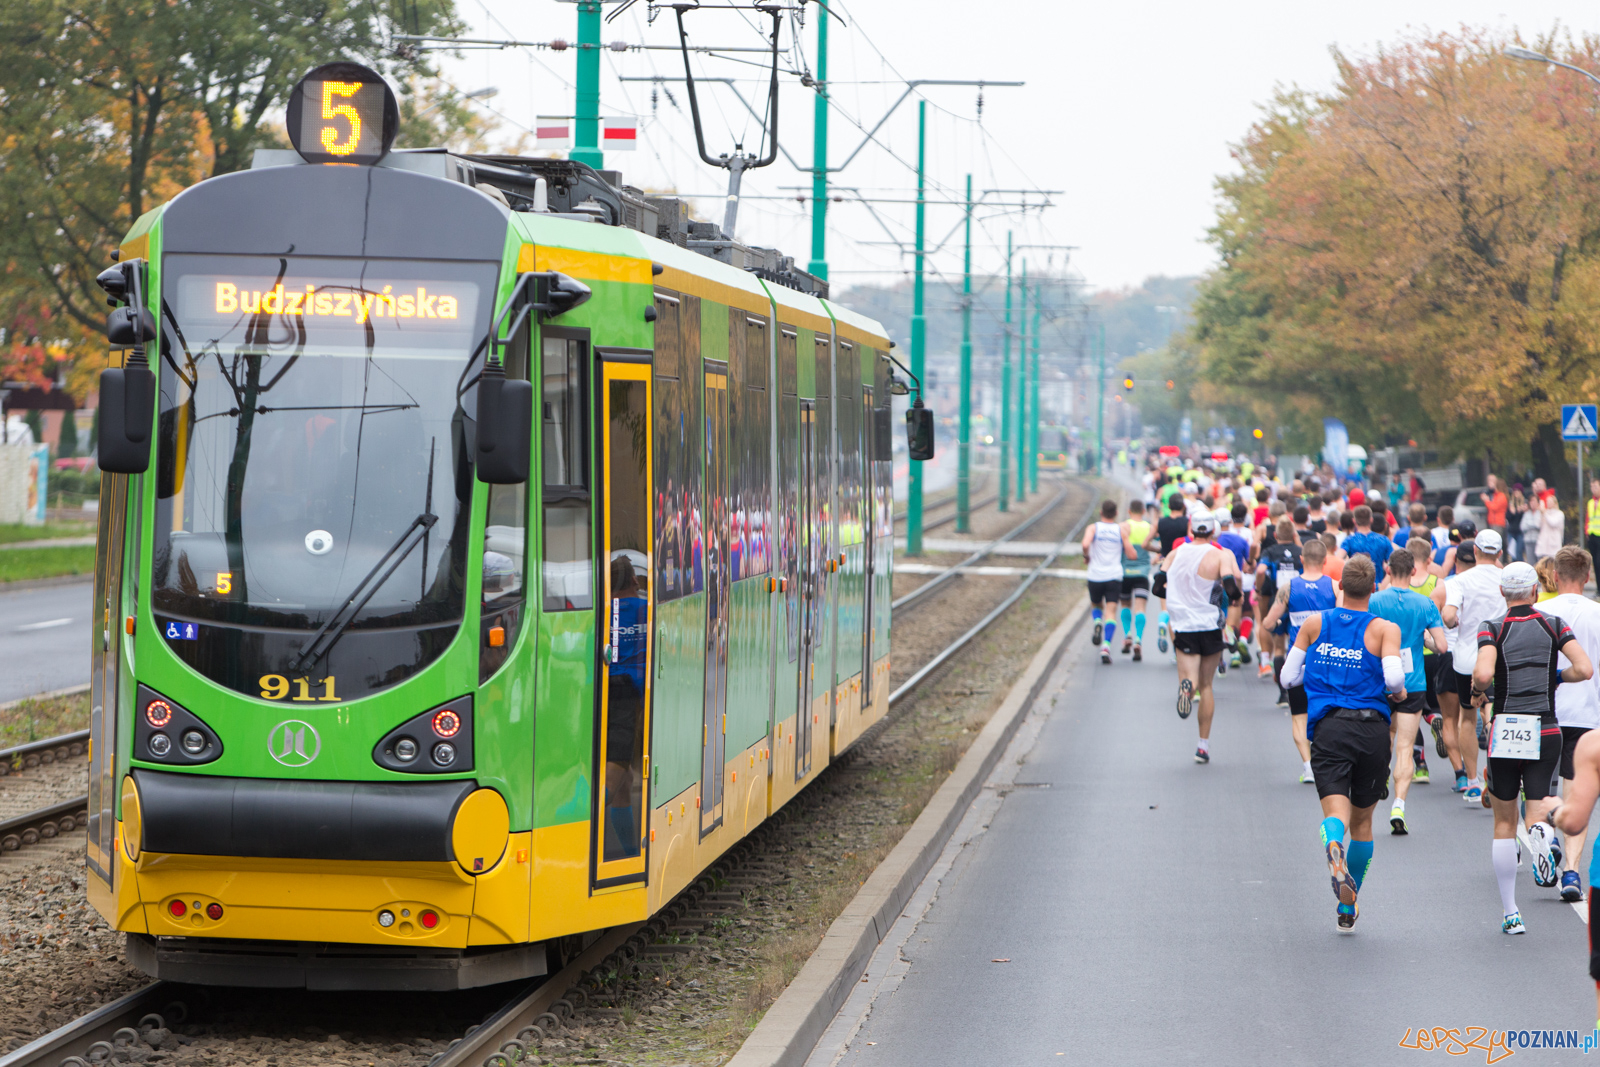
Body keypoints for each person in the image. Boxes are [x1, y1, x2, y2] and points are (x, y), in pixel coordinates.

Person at [1281, 555, 1406, 930]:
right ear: (1374, 589)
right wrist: (1393, 694)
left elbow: (1288, 677)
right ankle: (1348, 907)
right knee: (1364, 824)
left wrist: (1321, 672)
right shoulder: (1385, 628)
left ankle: (1331, 844)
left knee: (1336, 814)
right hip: (1371, 731)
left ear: (1339, 586)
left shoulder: (1316, 623)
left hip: (1330, 729)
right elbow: (1396, 681)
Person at [1471, 561, 1593, 934]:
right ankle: (1542, 831)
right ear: (1535, 592)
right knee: (1538, 804)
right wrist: (1555, 676)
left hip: (1507, 729)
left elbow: (1483, 674)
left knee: (1504, 822)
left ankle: (1511, 913)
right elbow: (1584, 669)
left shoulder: (1493, 628)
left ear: (1502, 593)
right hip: (1546, 729)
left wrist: (1478, 694)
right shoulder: (1553, 624)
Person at [1534, 545, 1600, 903]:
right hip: (1588, 715)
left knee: (1541, 787)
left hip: (1544, 711)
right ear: (1587, 577)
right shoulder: (1598, 613)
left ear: (1555, 576)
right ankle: (1572, 870)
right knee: (1579, 795)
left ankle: (1548, 839)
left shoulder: (1538, 612)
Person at [1153, 511, 1243, 764]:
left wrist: (1178, 592)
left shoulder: (1175, 553)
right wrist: (1235, 600)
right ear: (1213, 530)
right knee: (1207, 686)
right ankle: (1202, 746)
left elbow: (1157, 587)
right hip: (1210, 624)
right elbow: (1231, 586)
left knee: (1190, 679)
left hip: (1183, 624)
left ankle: (1185, 688)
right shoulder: (1219, 555)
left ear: (1191, 529)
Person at [1367, 548, 1447, 835]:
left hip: (1380, 679)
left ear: (1387, 570)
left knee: (1384, 737)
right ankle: (1399, 804)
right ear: (1414, 572)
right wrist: (1423, 636)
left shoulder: (1374, 600)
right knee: (1405, 746)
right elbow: (1442, 647)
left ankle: (1381, 777)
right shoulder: (1425, 604)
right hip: (1413, 682)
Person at [1263, 537, 1338, 783]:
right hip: (1329, 658)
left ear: (1301, 560)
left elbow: (1267, 623)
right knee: (1330, 712)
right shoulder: (1335, 587)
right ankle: (1328, 759)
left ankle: (1308, 767)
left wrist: (1280, 622)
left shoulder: (1288, 588)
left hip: (1299, 658)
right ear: (1325, 561)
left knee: (1298, 714)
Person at [1443, 530, 1508, 804]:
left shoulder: (1460, 580)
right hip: (1500, 656)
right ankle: (1498, 772)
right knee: (1496, 713)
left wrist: (1455, 622)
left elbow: (1447, 617)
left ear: (1476, 552)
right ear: (1500, 555)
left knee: (1466, 718)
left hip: (1466, 657)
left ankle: (1471, 781)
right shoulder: (1507, 578)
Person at [1083, 499, 1136, 665]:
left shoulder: (1093, 528)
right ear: (1115, 513)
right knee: (1111, 613)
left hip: (1095, 575)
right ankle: (1106, 646)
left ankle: (1097, 622)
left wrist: (1087, 556)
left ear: (1101, 512)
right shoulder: (1120, 531)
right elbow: (1132, 554)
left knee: (1097, 605)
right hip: (1114, 576)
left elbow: (1085, 544)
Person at [1154, 497, 1191, 654]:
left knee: (1166, 607)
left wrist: (1159, 552)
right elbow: (1190, 540)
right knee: (1181, 608)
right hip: (1182, 566)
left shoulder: (1160, 522)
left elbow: (1145, 543)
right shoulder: (1187, 522)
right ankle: (1181, 648)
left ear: (1168, 506)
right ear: (1183, 506)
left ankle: (1163, 623)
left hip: (1165, 565)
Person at [1119, 500, 1154, 662]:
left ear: (1128, 510)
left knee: (1125, 605)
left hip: (1125, 572)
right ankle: (1138, 639)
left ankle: (1127, 634)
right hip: (1142, 573)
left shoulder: (1124, 526)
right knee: (1140, 607)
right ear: (1143, 511)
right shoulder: (1149, 527)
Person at [1340, 505, 1394, 569]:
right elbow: (1393, 563)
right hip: (1378, 578)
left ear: (1354, 521)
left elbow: (1338, 558)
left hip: (1356, 578)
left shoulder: (1349, 540)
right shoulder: (1384, 540)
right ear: (1371, 520)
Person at [1536, 492, 1565, 562]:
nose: (1548, 503)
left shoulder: (1559, 514)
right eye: (1547, 501)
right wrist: (1541, 514)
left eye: (1550, 502)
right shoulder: (1545, 513)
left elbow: (1553, 523)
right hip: (1544, 543)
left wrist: (1545, 513)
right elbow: (1538, 525)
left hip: (1554, 543)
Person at [1481, 474, 1509, 547]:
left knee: (1496, 544)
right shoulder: (1496, 495)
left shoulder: (1501, 496)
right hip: (1493, 522)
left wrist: (1486, 501)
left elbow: (1494, 507)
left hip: (1498, 522)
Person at [1587, 478, 1600, 566]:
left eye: (1595, 486)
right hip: (1592, 534)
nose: (1593, 489)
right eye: (1591, 486)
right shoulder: (1590, 502)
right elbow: (1588, 518)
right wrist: (1586, 531)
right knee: (1595, 561)